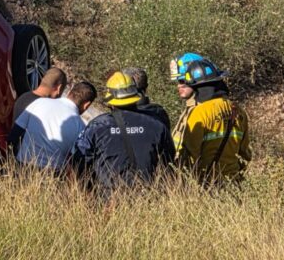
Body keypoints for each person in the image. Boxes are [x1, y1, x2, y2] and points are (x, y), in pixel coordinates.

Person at [71, 71, 175, 195]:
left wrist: (86, 192)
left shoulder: (98, 126)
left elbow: (77, 161)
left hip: (108, 201)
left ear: (110, 100)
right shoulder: (157, 126)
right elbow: (168, 162)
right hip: (148, 198)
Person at [173, 56, 252, 184]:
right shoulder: (238, 111)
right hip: (234, 182)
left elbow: (190, 155)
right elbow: (245, 154)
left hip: (208, 183)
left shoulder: (198, 113)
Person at [7, 81, 97, 173]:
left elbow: (15, 133)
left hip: (21, 165)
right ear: (87, 105)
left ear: (69, 92)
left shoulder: (39, 102)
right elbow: (75, 161)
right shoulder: (81, 126)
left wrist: (9, 163)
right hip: (51, 175)